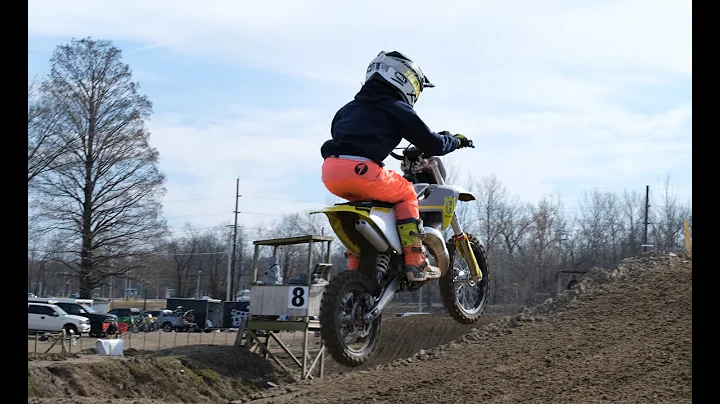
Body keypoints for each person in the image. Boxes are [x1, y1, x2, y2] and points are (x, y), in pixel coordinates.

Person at [320, 50, 473, 282]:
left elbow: (347, 134)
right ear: (405, 79)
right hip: (363, 171)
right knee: (406, 192)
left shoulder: (348, 109)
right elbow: (433, 143)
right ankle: (415, 260)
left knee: (370, 204)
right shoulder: (396, 107)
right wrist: (456, 140)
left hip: (331, 172)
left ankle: (356, 266)